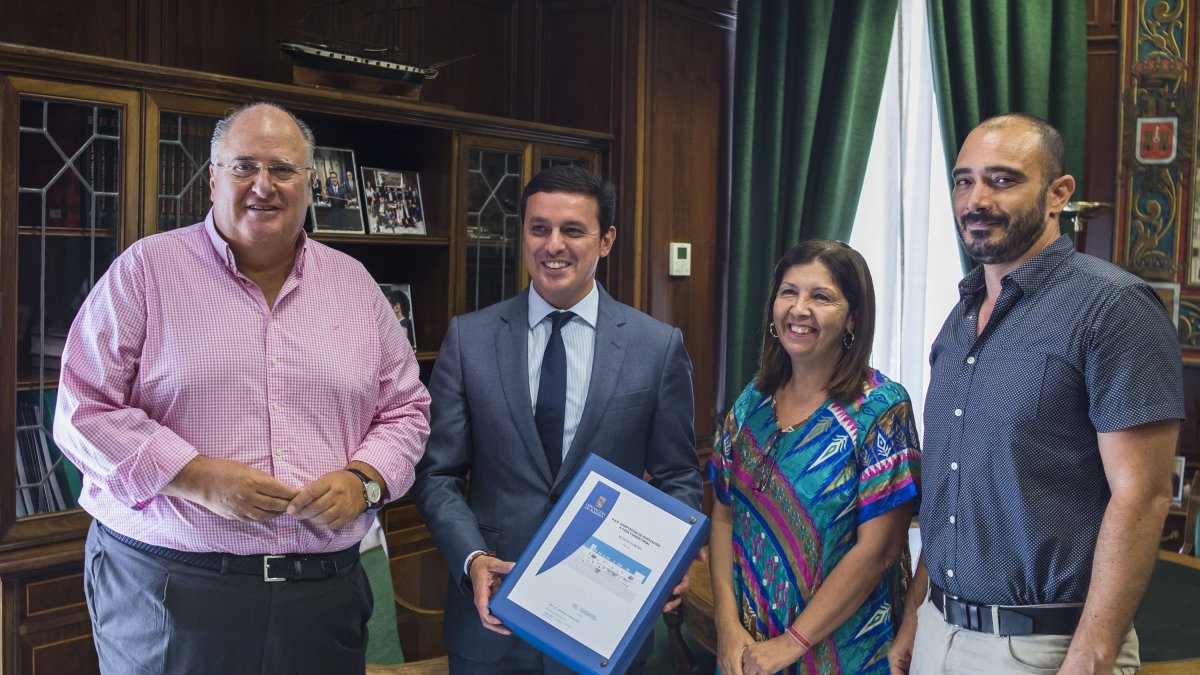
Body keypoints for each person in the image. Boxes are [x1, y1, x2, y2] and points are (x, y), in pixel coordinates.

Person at [53, 102, 432, 673]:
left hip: (320, 597)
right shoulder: (146, 272)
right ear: (212, 177)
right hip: (173, 591)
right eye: (243, 167)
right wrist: (195, 476)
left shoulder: (355, 287)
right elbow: (82, 410)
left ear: (309, 184)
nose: (264, 186)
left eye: (283, 170)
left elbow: (406, 409)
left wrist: (366, 482)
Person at [888, 113, 1184, 675]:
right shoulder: (957, 321)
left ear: (1058, 194)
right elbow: (953, 493)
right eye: (963, 180)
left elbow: (1142, 496)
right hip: (938, 633)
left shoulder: (1113, 308)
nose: (975, 199)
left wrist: (1092, 655)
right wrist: (915, 618)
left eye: (1002, 180)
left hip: (1046, 650)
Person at [413, 165, 702, 674]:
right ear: (522, 233)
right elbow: (438, 475)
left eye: (573, 230)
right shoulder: (469, 339)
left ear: (605, 240)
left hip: (606, 623)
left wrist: (667, 564)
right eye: (539, 228)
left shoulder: (655, 347)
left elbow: (678, 477)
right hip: (490, 621)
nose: (553, 245)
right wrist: (472, 560)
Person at [710, 240, 920, 675]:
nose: (799, 308)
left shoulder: (882, 408)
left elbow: (879, 551)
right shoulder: (753, 402)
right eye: (789, 292)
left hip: (847, 653)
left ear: (853, 318)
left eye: (820, 297)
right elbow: (723, 515)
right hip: (749, 654)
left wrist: (790, 645)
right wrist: (727, 628)